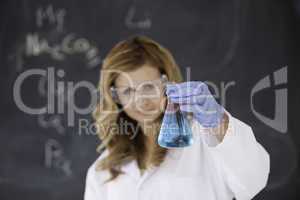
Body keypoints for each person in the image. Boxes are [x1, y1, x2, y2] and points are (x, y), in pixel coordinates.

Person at [84, 35, 270, 200]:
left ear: (168, 82)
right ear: (114, 97)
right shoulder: (101, 172)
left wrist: (220, 122)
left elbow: (254, 180)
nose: (140, 101)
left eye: (149, 87)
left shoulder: (204, 140)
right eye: (127, 91)